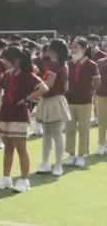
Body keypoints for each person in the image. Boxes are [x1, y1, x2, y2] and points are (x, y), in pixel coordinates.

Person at [0, 45, 46, 193]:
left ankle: (24, 180)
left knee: (21, 149)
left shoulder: (27, 74)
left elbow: (43, 88)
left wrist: (27, 99)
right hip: (6, 113)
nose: (4, 61)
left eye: (6, 59)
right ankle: (6, 178)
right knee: (8, 148)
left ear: (15, 59)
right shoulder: (7, 74)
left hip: (20, 115)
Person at [35, 39, 71, 177]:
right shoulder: (55, 64)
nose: (47, 50)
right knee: (47, 134)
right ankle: (45, 163)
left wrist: (34, 89)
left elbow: (49, 84)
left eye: (50, 48)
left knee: (55, 134)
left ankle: (58, 164)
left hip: (54, 100)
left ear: (55, 50)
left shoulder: (56, 65)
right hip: (49, 100)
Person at [64, 37, 100, 168]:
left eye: (76, 47)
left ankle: (81, 155)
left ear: (84, 49)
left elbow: (97, 82)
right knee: (70, 129)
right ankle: (71, 155)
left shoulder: (92, 64)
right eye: (72, 47)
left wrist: (90, 92)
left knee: (84, 130)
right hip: (69, 101)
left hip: (85, 102)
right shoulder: (67, 64)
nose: (73, 50)